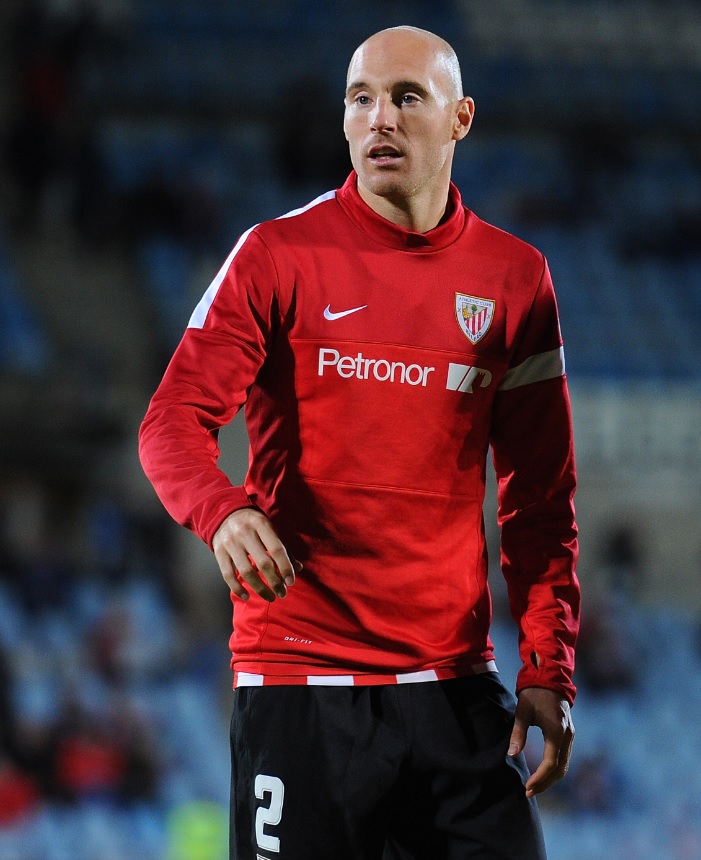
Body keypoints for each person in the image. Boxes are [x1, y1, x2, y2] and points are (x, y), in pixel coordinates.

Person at [139, 25, 579, 860]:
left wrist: (546, 667)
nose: (380, 118)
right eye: (360, 99)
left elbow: (540, 501)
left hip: (454, 688)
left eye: (407, 97)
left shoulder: (515, 280)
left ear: (460, 118)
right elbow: (169, 423)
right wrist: (222, 512)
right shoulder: (276, 255)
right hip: (302, 681)